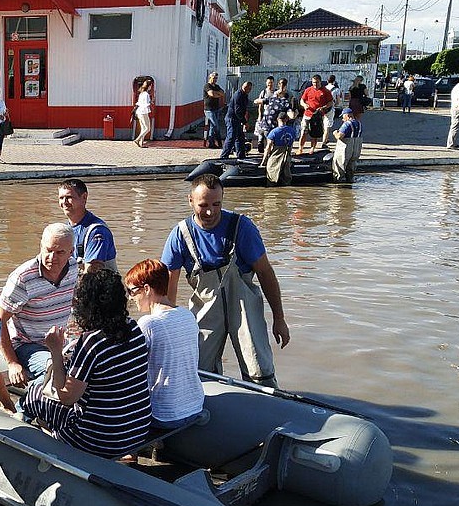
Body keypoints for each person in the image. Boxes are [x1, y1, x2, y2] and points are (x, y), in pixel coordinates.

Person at [161, 174, 290, 387]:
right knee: (199, 371)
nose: (210, 211)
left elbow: (266, 274)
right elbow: (168, 287)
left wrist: (279, 318)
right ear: (190, 200)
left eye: (216, 204)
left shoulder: (242, 227)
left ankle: (265, 408)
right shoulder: (180, 235)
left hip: (245, 310)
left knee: (259, 370)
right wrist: (169, 328)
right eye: (203, 205)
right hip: (205, 311)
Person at [19, 269, 152, 458]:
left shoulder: (91, 342)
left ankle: (51, 439)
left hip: (98, 439)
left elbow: (66, 397)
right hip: (137, 431)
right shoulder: (134, 328)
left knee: (34, 394)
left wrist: (56, 351)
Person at [124, 259, 204, 428]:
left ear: (146, 289)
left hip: (163, 414)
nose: (131, 298)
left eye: (132, 291)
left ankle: (130, 452)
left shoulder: (148, 323)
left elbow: (128, 367)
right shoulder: (188, 315)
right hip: (196, 406)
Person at [0, 223, 77, 386]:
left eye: (60, 252)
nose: (53, 258)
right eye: (48, 250)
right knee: (56, 370)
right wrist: (12, 363)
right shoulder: (23, 278)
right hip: (26, 344)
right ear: (41, 246)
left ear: (71, 252)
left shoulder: (74, 267)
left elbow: (76, 300)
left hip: (60, 342)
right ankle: (25, 406)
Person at [58, 177, 118, 273]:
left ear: (84, 197)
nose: (64, 202)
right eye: (61, 198)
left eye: (69, 197)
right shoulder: (65, 230)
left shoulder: (97, 231)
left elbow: (91, 272)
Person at [258, 110, 298, 186]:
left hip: (275, 157)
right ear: (287, 119)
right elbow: (291, 144)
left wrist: (264, 161)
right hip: (287, 158)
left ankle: (273, 192)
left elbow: (268, 147)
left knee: (271, 176)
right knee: (286, 180)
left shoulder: (274, 132)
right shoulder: (292, 131)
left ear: (277, 119)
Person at [297, 75, 333, 155]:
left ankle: (312, 148)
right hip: (308, 114)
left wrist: (324, 107)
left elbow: (330, 102)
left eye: (317, 82)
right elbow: (302, 100)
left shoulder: (325, 91)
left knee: (314, 133)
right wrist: (304, 105)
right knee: (303, 132)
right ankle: (300, 148)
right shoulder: (308, 90)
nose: (315, 84)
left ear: (320, 82)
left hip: (317, 115)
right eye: (313, 82)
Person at [219, 80, 252, 159]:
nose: (249, 90)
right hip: (232, 119)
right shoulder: (238, 95)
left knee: (240, 138)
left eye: (250, 89)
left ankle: (241, 156)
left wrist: (244, 120)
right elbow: (238, 111)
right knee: (231, 137)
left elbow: (244, 109)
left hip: (237, 119)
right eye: (247, 88)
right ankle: (224, 156)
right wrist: (245, 122)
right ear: (244, 87)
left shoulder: (244, 95)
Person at [331, 107, 364, 183]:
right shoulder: (359, 123)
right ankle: (350, 181)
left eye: (343, 116)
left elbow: (339, 136)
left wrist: (335, 132)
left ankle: (339, 184)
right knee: (351, 166)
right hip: (356, 148)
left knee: (339, 165)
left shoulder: (347, 124)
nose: (342, 119)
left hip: (346, 148)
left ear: (347, 115)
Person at [252, 75, 276, 152]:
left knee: (270, 131)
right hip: (265, 114)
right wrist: (260, 115)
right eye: (269, 83)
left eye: (271, 83)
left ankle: (270, 146)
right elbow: (260, 104)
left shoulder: (276, 92)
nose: (270, 84)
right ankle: (260, 144)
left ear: (273, 83)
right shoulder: (264, 92)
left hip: (273, 115)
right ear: (266, 83)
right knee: (261, 130)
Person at [202, 71, 226, 149]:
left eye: (216, 78)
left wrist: (216, 94)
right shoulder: (207, 86)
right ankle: (219, 142)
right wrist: (217, 94)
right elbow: (212, 94)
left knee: (213, 127)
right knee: (216, 125)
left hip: (216, 109)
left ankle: (211, 143)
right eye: (214, 78)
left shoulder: (217, 86)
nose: (215, 79)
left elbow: (222, 93)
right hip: (209, 110)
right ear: (210, 77)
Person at [133, 78, 153, 148]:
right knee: (147, 128)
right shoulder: (147, 94)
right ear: (149, 86)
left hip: (139, 112)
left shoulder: (141, 93)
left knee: (143, 128)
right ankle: (137, 139)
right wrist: (150, 102)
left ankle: (141, 143)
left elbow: (139, 102)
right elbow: (146, 104)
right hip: (144, 112)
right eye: (151, 85)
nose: (151, 87)